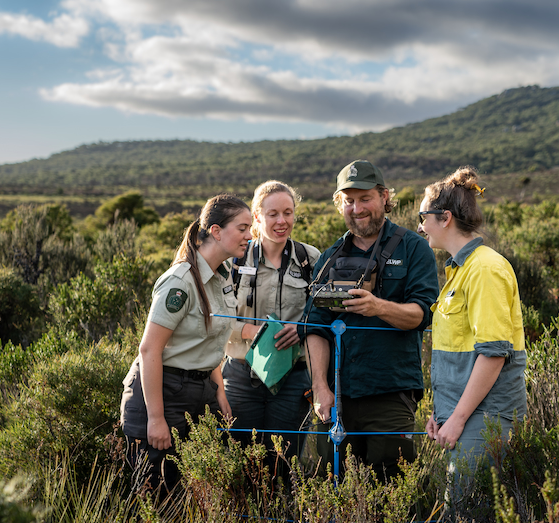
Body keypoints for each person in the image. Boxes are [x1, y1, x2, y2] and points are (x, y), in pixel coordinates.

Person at [302, 159, 438, 482]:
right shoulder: (330, 256)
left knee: (392, 488)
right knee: (333, 485)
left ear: (384, 197)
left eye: (365, 198)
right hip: (337, 397)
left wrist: (377, 307)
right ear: (339, 204)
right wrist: (320, 387)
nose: (357, 208)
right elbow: (314, 327)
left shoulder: (414, 248)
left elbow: (420, 314)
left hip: (389, 395)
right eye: (348, 200)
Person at [120, 194, 252, 496]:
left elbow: (211, 342)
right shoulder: (180, 281)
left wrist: (219, 392)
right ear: (216, 231)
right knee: (155, 500)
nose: (249, 236)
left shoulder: (222, 277)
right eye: (243, 228)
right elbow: (149, 350)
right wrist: (156, 419)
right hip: (162, 396)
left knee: (189, 498)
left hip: (198, 393)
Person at [418, 167, 527, 499]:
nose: (420, 226)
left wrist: (458, 418)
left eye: (423, 216)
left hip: (485, 416)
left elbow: (493, 353)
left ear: (445, 217)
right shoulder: (460, 269)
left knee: (466, 509)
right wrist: (442, 414)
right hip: (464, 416)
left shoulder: (484, 269)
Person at [223, 180, 320, 474]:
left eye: (288, 213)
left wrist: (302, 328)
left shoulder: (310, 260)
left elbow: (324, 319)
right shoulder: (234, 261)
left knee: (283, 466)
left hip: (293, 379)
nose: (282, 221)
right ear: (257, 217)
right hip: (241, 378)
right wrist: (250, 332)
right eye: (273, 214)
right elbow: (212, 318)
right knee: (240, 466)